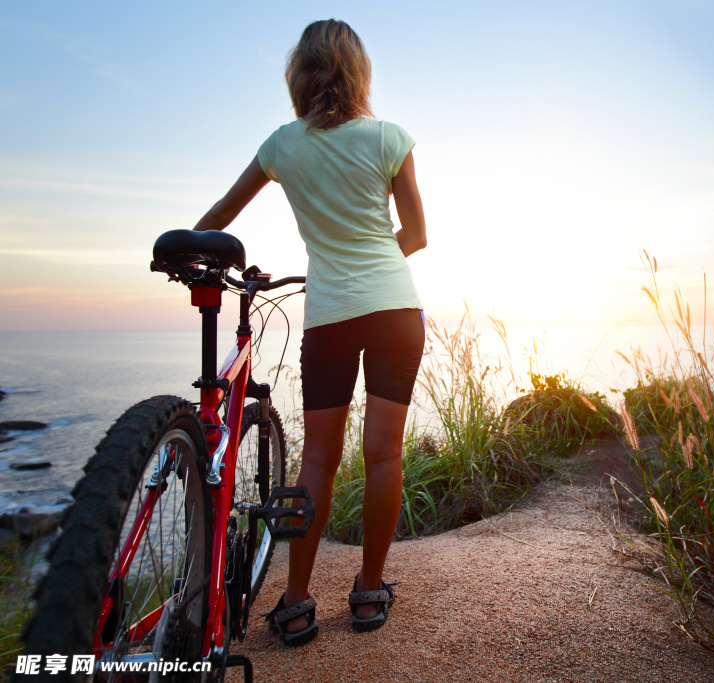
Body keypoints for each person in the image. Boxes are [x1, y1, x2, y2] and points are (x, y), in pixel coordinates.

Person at [192, 18, 426, 644]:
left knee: (318, 459)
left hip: (329, 314)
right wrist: (372, 263)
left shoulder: (282, 146)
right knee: (385, 453)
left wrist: (181, 252)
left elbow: (218, 217)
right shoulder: (389, 138)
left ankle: (296, 602)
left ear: (299, 76)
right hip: (394, 309)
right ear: (359, 73)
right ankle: (369, 592)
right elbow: (417, 235)